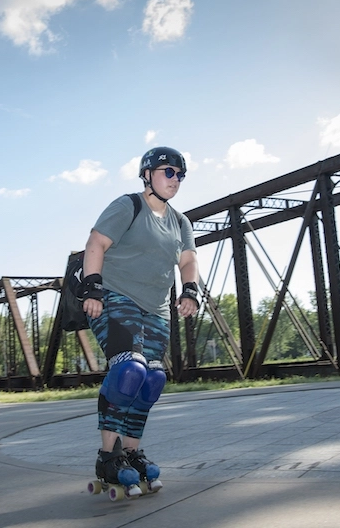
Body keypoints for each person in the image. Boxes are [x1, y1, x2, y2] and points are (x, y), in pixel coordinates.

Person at [79, 146, 200, 495]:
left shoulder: (181, 221)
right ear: (147, 174)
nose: (174, 180)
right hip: (116, 297)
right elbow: (96, 243)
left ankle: (131, 453)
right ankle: (109, 455)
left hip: (158, 309)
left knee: (152, 380)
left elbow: (188, 260)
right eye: (168, 171)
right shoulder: (128, 205)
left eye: (180, 174)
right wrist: (92, 288)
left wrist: (189, 290)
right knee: (128, 370)